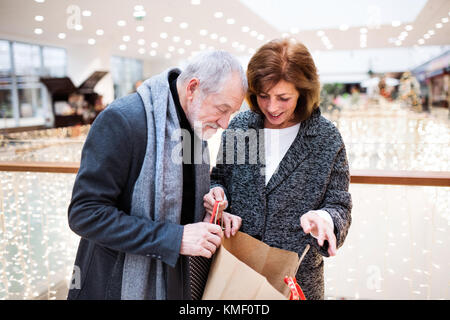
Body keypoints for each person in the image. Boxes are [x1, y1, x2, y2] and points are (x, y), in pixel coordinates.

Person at [67, 50, 247, 300]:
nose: (226, 123)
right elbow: (85, 214)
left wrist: (212, 211)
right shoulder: (123, 119)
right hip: (117, 283)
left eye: (233, 113)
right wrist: (175, 238)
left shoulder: (197, 125)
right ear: (193, 88)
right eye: (222, 108)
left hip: (176, 281)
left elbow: (180, 203)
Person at [203, 39, 352, 300]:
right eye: (263, 96)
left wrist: (326, 219)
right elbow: (220, 179)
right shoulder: (240, 127)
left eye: (284, 98)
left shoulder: (325, 137)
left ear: (303, 92)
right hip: (235, 273)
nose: (272, 107)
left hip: (296, 281)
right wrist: (219, 202)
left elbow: (339, 204)